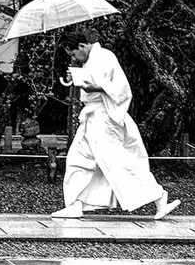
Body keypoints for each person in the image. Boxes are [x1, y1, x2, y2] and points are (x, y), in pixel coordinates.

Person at [52, 27, 181, 220]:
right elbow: (90, 84)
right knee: (77, 160)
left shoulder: (104, 56)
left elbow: (121, 88)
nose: (74, 58)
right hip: (91, 117)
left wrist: (93, 86)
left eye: (73, 53)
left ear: (81, 46)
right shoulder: (89, 61)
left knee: (119, 164)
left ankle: (159, 196)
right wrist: (75, 79)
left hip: (105, 119)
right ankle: (74, 204)